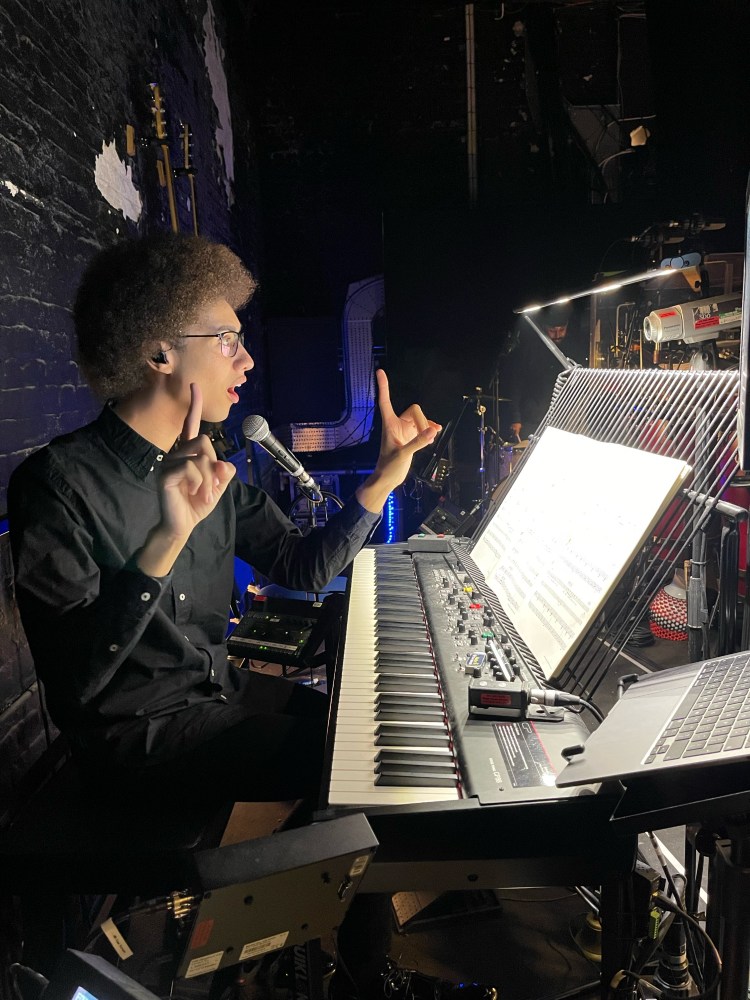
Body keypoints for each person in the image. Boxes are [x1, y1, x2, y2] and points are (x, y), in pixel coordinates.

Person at [8, 232, 440, 807]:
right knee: (364, 767)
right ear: (160, 354)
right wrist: (168, 538)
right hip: (137, 744)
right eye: (227, 341)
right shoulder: (56, 484)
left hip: (220, 691)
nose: (248, 359)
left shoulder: (211, 467)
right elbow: (74, 683)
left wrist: (382, 479)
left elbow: (304, 567)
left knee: (365, 724)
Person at [505, 301, 588, 441]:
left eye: (562, 330)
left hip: (564, 419)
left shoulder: (573, 349)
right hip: (533, 420)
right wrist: (516, 418)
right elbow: (516, 385)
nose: (557, 335)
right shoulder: (529, 351)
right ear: (544, 328)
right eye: (553, 330)